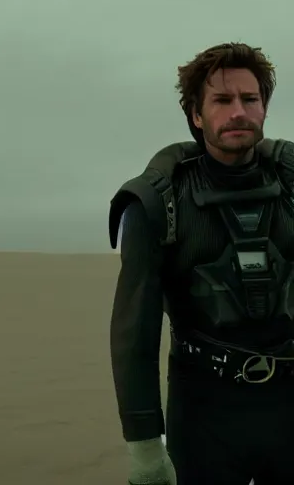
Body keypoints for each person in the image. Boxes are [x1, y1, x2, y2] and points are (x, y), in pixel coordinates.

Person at [108, 42, 294, 484]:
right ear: (195, 114)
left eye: (250, 99)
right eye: (222, 100)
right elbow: (135, 330)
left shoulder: (290, 185)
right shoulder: (157, 201)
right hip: (203, 413)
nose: (238, 112)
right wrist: (146, 447)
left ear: (264, 109)